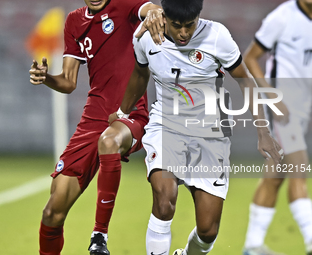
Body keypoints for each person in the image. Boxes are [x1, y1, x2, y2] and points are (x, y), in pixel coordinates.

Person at [109, 0, 283, 254]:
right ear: (164, 16)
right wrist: (123, 112)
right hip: (166, 125)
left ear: (199, 17)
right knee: (164, 200)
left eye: (189, 26)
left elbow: (245, 81)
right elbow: (139, 73)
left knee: (208, 230)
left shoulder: (217, 37)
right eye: (177, 25)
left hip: (210, 133)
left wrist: (263, 131)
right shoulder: (147, 37)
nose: (183, 33)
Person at [29, 0, 165, 254]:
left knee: (110, 141)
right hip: (93, 119)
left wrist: (156, 12)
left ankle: (99, 236)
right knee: (52, 212)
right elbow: (69, 82)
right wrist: (46, 77)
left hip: (130, 114)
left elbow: (149, 8)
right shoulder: (74, 21)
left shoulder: (125, 6)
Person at [242, 1, 312, 254]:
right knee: (299, 170)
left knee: (275, 176)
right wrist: (271, 96)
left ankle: (252, 246)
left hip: (303, 108)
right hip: (283, 109)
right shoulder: (282, 17)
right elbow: (250, 58)